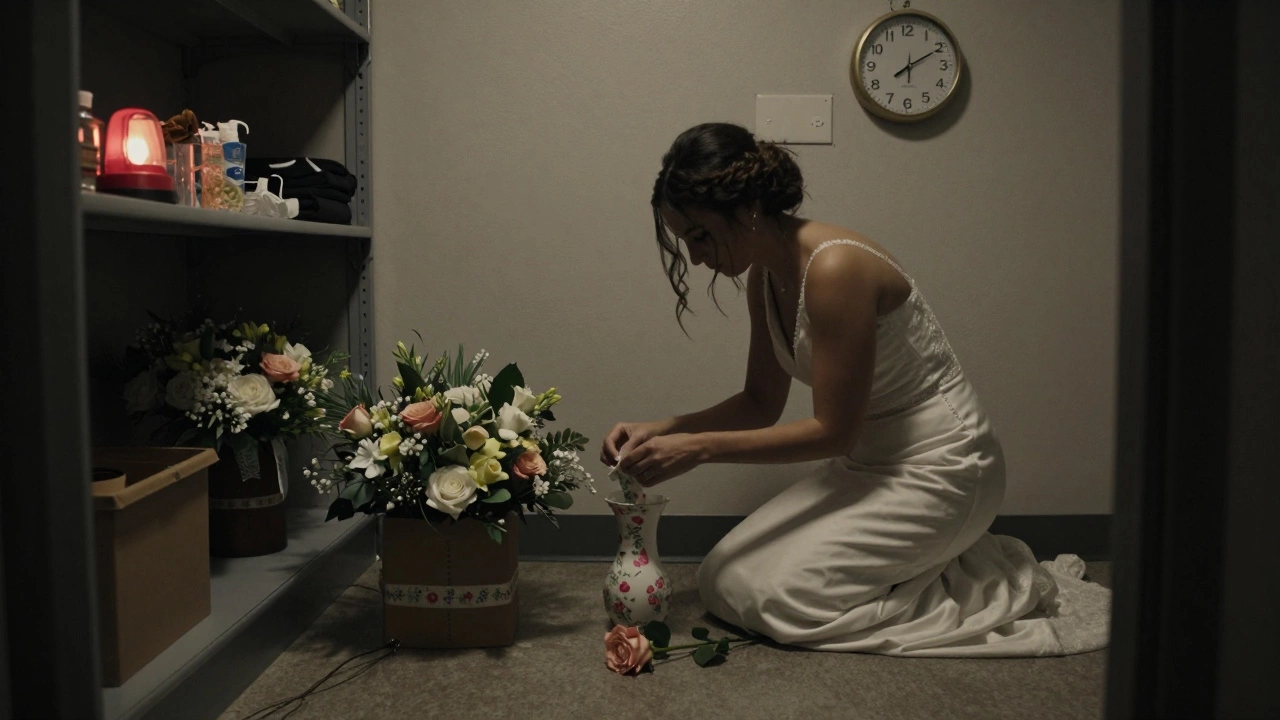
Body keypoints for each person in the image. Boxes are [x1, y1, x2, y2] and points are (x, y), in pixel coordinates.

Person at [601, 123, 1109, 656]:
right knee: (720, 579)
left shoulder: (835, 267)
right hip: (867, 465)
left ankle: (967, 586)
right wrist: (664, 428)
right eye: (687, 243)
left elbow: (833, 432)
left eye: (701, 235)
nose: (698, 258)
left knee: (775, 600)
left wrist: (698, 450)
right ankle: (927, 563)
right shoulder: (765, 276)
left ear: (748, 207)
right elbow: (759, 403)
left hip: (947, 468)